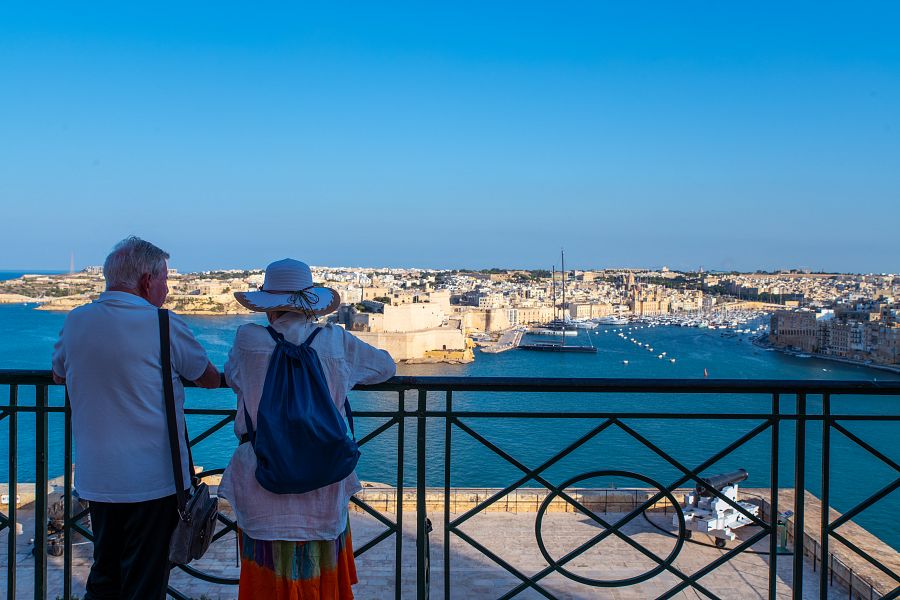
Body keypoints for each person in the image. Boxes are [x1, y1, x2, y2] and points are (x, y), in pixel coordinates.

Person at [51, 236, 220, 600]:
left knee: (105, 575)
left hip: (98, 478)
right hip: (153, 480)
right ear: (147, 281)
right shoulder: (163, 324)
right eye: (164, 279)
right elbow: (206, 376)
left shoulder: (76, 321)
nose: (167, 288)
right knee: (145, 581)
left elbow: (58, 373)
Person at [219, 258, 395, 599]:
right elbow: (385, 367)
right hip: (324, 487)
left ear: (269, 307)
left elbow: (234, 377)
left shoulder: (247, 340)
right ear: (311, 305)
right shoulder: (335, 340)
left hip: (262, 483)